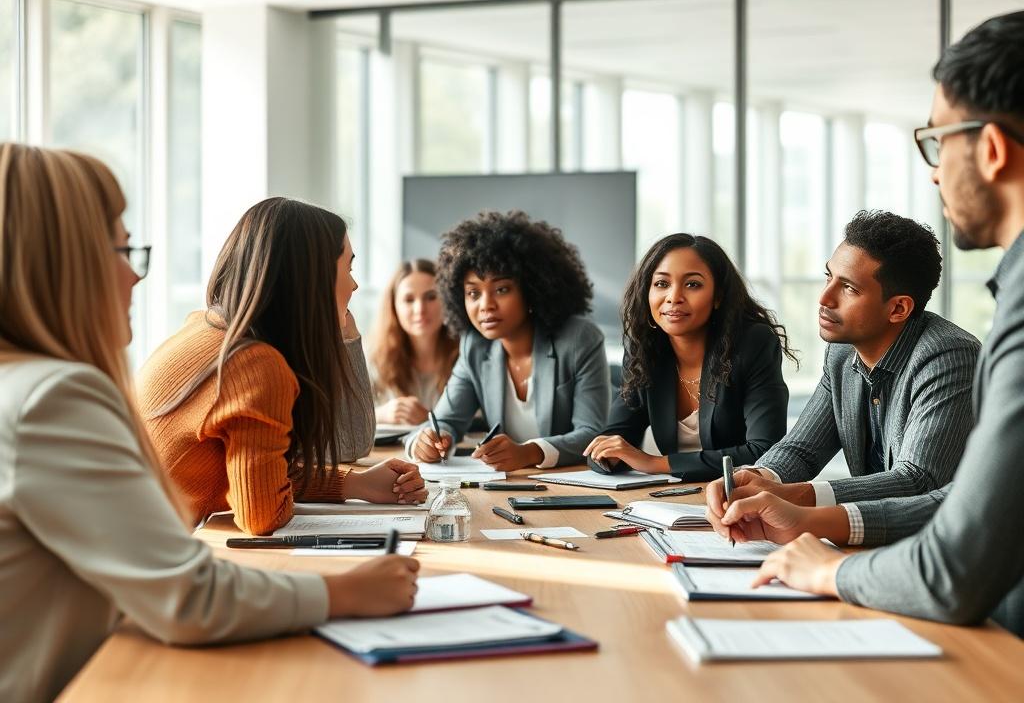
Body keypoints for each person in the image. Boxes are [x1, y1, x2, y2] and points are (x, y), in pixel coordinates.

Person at [0, 144, 419, 703]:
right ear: (57, 262)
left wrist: (345, 483)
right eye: (121, 250)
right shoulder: (53, 400)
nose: (134, 276)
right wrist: (344, 592)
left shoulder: (191, 336)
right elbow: (191, 595)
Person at [713, 11, 1024, 637]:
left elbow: (947, 537)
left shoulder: (961, 349)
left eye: (938, 140)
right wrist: (769, 483)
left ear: (989, 149)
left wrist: (822, 564)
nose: (935, 170)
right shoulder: (848, 357)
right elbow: (812, 451)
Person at [138, 199, 427, 536]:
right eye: (348, 268)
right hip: (133, 570)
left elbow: (260, 477)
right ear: (311, 278)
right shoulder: (253, 365)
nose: (354, 285)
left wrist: (356, 484)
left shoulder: (204, 329)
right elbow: (261, 515)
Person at [706, 210, 979, 547]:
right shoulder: (841, 354)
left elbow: (919, 481)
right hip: (875, 543)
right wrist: (758, 478)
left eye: (848, 288)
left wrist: (797, 498)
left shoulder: (949, 356)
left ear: (898, 309)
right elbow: (802, 450)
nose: (824, 298)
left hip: (948, 553)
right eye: (828, 276)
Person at [406, 210, 611, 471]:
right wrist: (428, 441)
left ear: (532, 288)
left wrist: (530, 453)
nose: (485, 305)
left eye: (501, 290)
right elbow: (445, 420)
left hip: (572, 489)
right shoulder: (475, 346)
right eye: (473, 293)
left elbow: (592, 433)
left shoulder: (579, 339)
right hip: (509, 487)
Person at [582, 233, 793, 480]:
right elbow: (614, 437)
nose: (674, 297)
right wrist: (608, 456)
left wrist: (655, 463)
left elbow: (765, 451)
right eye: (661, 284)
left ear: (718, 296)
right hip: (671, 499)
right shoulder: (644, 348)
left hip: (742, 499)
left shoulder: (752, 343)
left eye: (692, 284)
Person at [370, 259, 459, 425]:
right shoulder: (373, 360)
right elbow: (344, 420)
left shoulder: (466, 358)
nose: (420, 309)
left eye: (431, 297)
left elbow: (483, 422)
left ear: (447, 300)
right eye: (409, 300)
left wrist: (429, 420)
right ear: (393, 306)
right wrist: (381, 414)